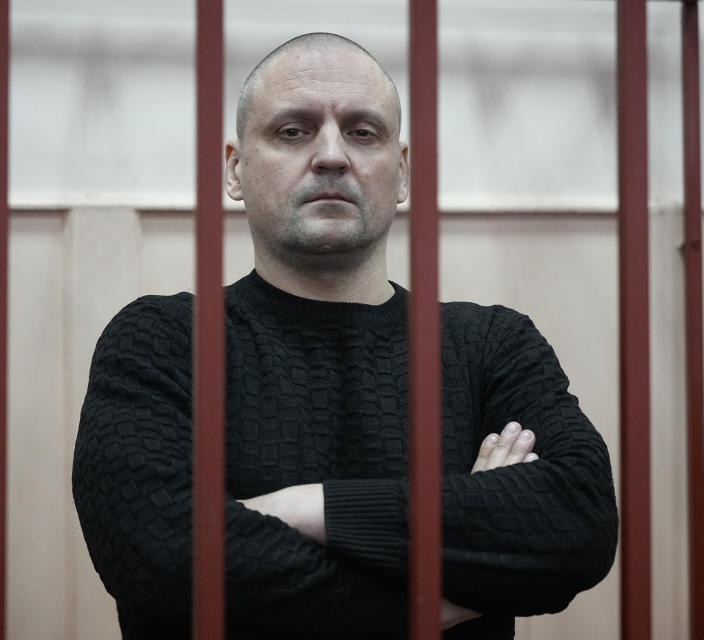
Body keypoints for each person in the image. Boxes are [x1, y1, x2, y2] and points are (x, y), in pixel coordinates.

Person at [72, 32, 618, 639]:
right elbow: (163, 560)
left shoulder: (491, 346)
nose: (331, 154)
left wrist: (305, 510)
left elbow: (578, 520)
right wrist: (453, 567)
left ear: (402, 170)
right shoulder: (162, 341)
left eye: (362, 132)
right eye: (293, 130)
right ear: (234, 168)